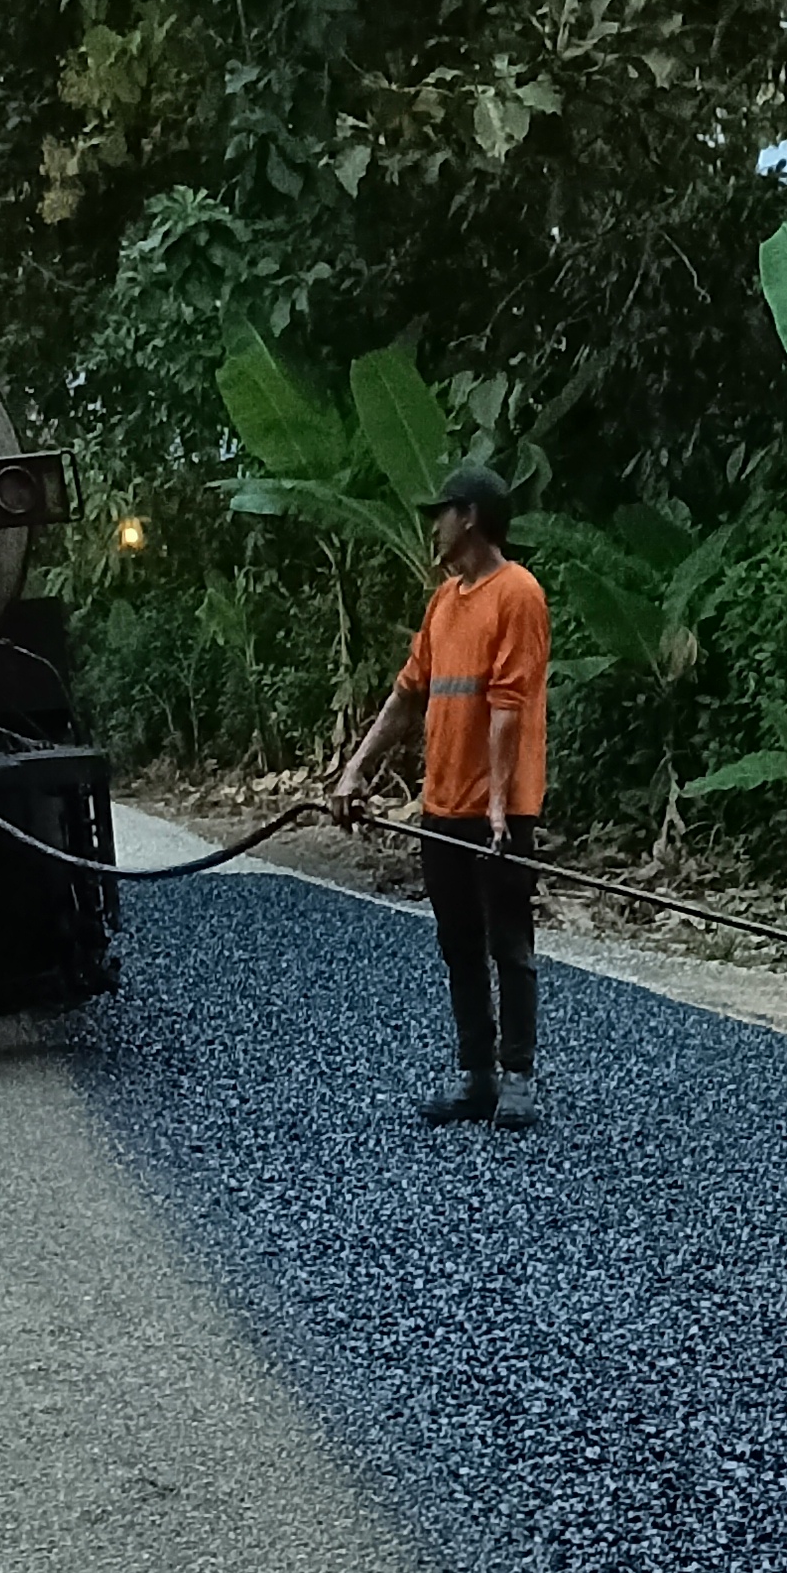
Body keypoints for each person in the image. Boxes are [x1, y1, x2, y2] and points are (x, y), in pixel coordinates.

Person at [330, 463, 551, 1126]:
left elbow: (508, 706)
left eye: (442, 514)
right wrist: (356, 769)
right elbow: (407, 694)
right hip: (443, 806)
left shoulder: (518, 595)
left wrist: (497, 808)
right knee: (459, 944)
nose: (434, 527)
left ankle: (517, 1075)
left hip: (500, 812)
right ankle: (476, 1074)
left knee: (509, 944)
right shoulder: (445, 603)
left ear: (471, 517)